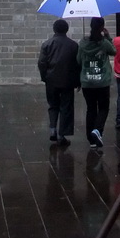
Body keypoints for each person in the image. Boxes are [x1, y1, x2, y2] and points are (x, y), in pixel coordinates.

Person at [37, 19, 80, 147]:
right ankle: (62, 134)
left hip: (51, 80)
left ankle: (52, 129)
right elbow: (77, 65)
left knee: (53, 105)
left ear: (54, 29)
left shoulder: (47, 44)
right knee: (66, 107)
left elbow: (42, 63)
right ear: (66, 29)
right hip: (67, 81)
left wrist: (44, 76)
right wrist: (77, 81)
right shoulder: (73, 45)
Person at [77, 17, 115, 148]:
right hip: (102, 81)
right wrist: (108, 36)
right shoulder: (104, 42)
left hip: (87, 81)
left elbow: (78, 60)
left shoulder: (82, 43)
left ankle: (91, 139)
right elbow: (114, 51)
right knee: (104, 108)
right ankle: (97, 130)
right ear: (101, 27)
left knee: (91, 109)